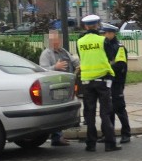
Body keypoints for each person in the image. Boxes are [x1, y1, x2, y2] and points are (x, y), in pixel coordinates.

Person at [77, 14, 120, 152]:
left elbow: (81, 57)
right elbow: (111, 56)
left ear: (85, 26)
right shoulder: (103, 40)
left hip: (86, 81)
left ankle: (90, 144)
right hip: (102, 80)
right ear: (98, 25)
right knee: (105, 112)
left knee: (89, 113)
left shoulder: (80, 41)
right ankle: (109, 143)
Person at [39, 29, 79, 146]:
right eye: (54, 40)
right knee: (57, 109)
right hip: (54, 86)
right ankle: (56, 137)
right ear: (50, 41)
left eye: (58, 39)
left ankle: (60, 136)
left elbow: (73, 59)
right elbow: (43, 70)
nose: (57, 42)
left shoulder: (63, 51)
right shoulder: (46, 54)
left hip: (67, 84)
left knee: (65, 108)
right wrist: (56, 66)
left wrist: (79, 64)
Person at [102, 23, 131, 144]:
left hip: (117, 82)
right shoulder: (104, 46)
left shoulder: (119, 47)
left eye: (108, 33)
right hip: (107, 81)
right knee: (109, 109)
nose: (105, 35)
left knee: (119, 108)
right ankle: (109, 134)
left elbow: (120, 65)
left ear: (113, 33)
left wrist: (106, 69)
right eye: (104, 33)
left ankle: (126, 134)